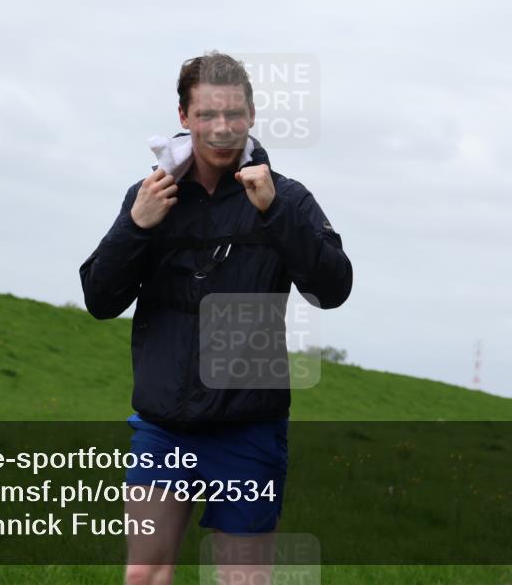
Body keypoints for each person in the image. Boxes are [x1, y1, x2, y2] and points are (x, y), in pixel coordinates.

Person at [79, 51, 353, 585]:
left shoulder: (286, 198)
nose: (222, 128)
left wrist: (275, 215)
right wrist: (136, 226)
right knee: (143, 575)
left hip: (249, 428)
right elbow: (100, 298)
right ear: (184, 117)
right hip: (164, 427)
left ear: (251, 115)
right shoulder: (151, 197)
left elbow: (333, 289)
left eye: (233, 114)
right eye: (207, 115)